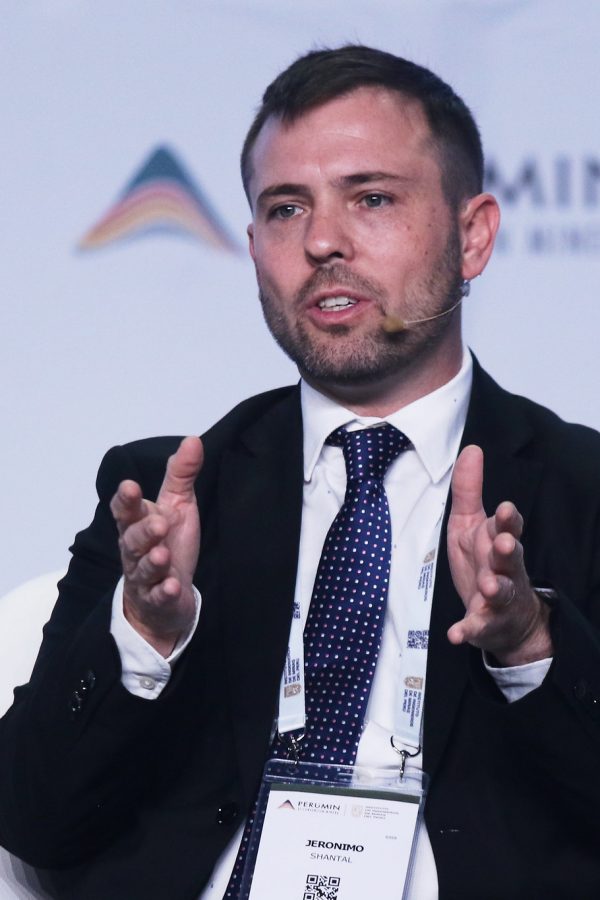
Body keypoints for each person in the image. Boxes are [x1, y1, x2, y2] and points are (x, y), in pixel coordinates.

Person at [1, 44, 600, 900]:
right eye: (286, 209)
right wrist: (143, 635)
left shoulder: (582, 490)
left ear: (472, 236)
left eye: (372, 198)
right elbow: (31, 820)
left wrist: (531, 646)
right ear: (253, 248)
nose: (321, 241)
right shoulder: (166, 493)